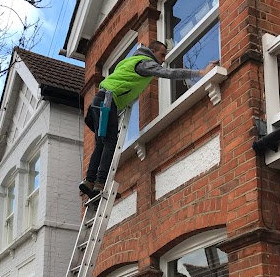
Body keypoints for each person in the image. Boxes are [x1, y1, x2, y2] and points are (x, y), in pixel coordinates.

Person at [79, 41, 220, 197]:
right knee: (110, 142)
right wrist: (201, 73)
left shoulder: (128, 62)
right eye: (162, 54)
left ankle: (89, 181)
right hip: (108, 101)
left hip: (98, 102)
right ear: (152, 52)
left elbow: (125, 82)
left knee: (101, 143)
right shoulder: (144, 63)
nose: (164, 59)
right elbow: (168, 73)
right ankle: (100, 184)